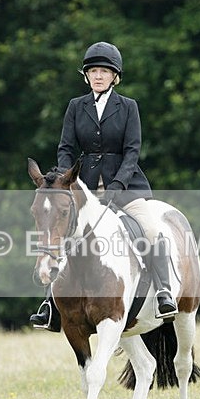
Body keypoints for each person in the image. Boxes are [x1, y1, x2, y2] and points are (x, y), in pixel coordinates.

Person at [30, 41, 178, 331]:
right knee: (60, 236)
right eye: (93, 71)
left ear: (115, 76)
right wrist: (65, 180)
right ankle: (50, 304)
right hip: (82, 192)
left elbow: (133, 150)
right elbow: (65, 148)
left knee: (151, 229)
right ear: (86, 76)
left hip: (125, 186)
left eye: (104, 71)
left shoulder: (128, 107)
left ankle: (163, 292)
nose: (98, 76)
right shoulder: (76, 107)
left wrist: (119, 184)